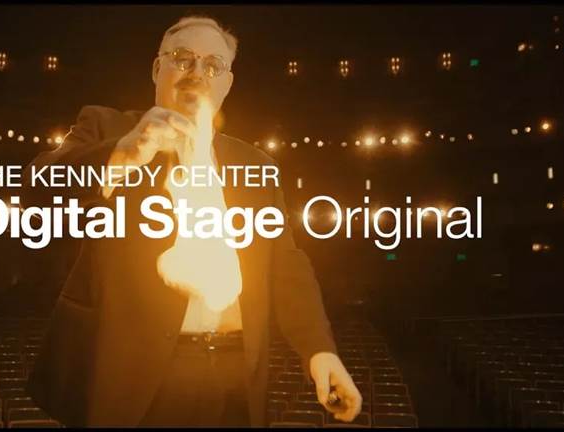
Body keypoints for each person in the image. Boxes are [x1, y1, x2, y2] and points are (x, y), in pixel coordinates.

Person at [26, 15, 362, 427]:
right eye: (182, 59)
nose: (197, 73)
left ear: (228, 82)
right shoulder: (105, 127)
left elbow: (287, 267)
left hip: (235, 378)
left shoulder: (257, 166)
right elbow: (38, 188)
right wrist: (124, 154)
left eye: (213, 65)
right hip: (129, 374)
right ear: (157, 69)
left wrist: (319, 351)